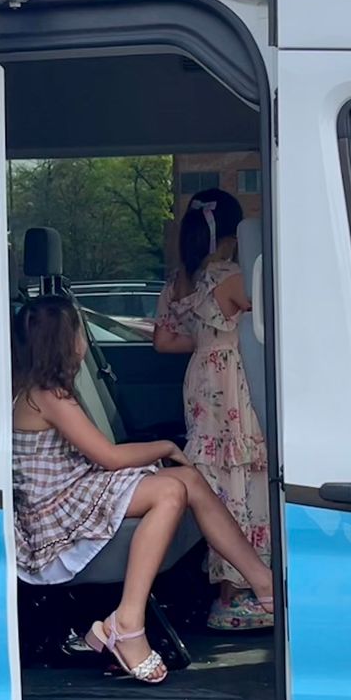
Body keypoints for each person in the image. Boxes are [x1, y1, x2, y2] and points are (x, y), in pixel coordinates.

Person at [12, 295, 275, 684]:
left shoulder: (42, 390)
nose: (84, 342)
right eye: (80, 333)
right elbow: (109, 457)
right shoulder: (47, 396)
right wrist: (168, 447)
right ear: (67, 343)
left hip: (71, 491)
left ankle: (265, 584)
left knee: (188, 480)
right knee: (169, 491)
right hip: (52, 515)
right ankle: (127, 622)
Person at [153, 188, 271, 631]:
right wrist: (231, 338)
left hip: (202, 381)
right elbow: (269, 315)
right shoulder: (230, 273)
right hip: (233, 382)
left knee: (218, 480)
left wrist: (209, 340)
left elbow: (164, 341)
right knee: (243, 480)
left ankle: (227, 584)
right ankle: (238, 592)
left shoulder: (180, 278)